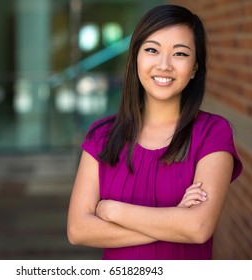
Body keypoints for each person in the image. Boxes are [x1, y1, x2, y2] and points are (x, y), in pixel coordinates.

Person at [67, 4, 243, 260]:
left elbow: (198, 227)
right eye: (152, 50)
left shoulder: (212, 134)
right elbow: (78, 230)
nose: (164, 65)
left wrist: (112, 211)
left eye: (180, 54)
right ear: (136, 57)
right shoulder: (102, 137)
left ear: (195, 67)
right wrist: (175, 219)